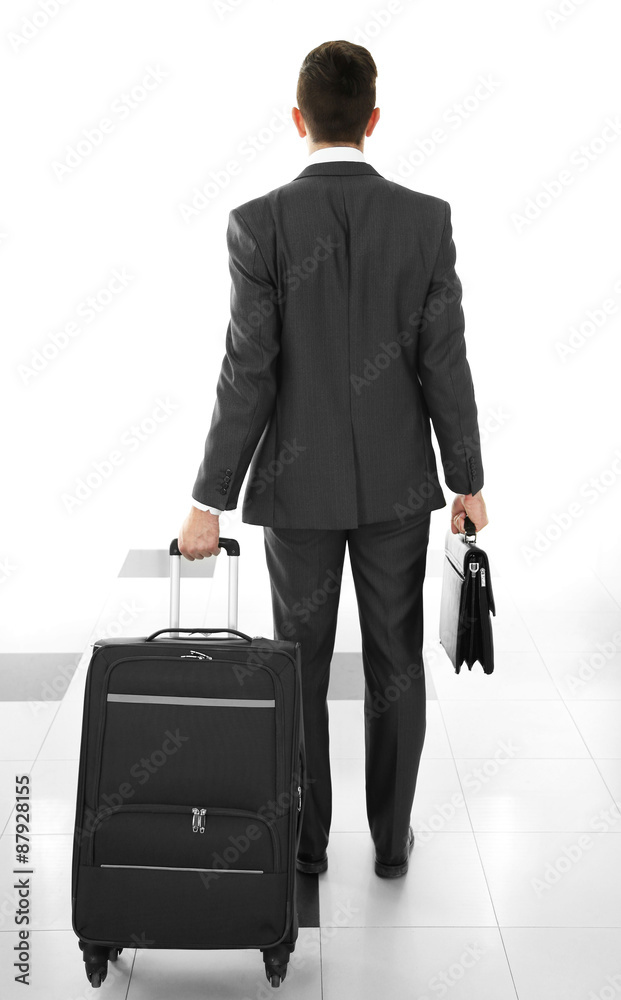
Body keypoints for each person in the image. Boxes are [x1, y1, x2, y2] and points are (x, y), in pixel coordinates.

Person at [178, 39, 488, 878]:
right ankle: (391, 845)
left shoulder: (258, 224)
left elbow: (250, 370)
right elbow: (442, 360)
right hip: (396, 488)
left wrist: (209, 500)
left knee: (298, 665)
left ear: (297, 119)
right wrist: (467, 480)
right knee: (395, 664)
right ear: (374, 119)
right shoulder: (424, 220)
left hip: (297, 490)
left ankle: (305, 847)